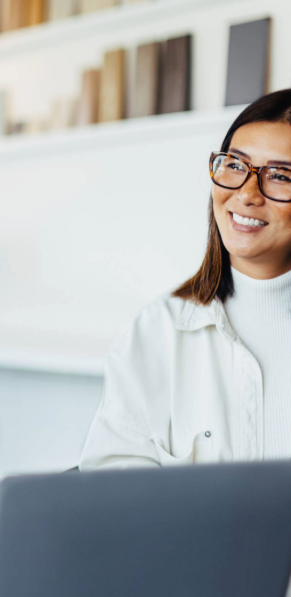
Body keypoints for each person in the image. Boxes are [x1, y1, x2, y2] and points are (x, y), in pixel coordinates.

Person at [80, 89, 291, 469]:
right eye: (235, 165)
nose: (246, 194)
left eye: (280, 175)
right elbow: (114, 493)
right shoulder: (156, 332)